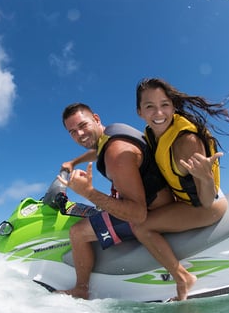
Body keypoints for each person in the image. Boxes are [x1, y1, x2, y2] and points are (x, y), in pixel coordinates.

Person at [130, 78, 229, 300]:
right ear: (140, 112)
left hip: (207, 205)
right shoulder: (151, 135)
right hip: (187, 200)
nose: (158, 112)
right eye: (149, 106)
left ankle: (183, 278)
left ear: (173, 106)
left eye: (164, 104)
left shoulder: (186, 142)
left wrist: (205, 177)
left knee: (141, 227)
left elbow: (206, 200)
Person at [57, 103, 173, 299]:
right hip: (159, 198)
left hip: (154, 210)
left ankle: (81, 289)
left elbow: (138, 214)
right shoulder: (110, 134)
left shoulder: (115, 153)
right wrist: (73, 163)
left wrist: (89, 192)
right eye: (73, 132)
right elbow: (97, 151)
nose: (80, 134)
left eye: (83, 126)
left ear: (96, 118)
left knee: (77, 232)